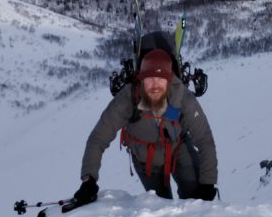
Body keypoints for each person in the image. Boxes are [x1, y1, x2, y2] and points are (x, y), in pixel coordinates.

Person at [72, 36, 218, 206]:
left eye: (161, 79)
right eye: (149, 79)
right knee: (161, 207)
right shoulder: (128, 98)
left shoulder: (182, 96)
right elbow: (98, 138)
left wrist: (208, 183)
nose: (155, 85)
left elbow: (204, 139)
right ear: (141, 80)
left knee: (196, 198)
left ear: (169, 80)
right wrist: (88, 180)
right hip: (145, 158)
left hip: (178, 147)